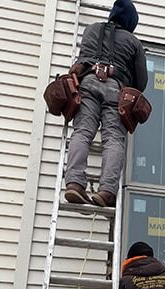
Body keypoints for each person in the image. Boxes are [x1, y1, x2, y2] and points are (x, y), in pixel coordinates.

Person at [64, 0, 148, 207]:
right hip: (115, 89)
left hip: (88, 83)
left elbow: (83, 59)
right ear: (130, 22)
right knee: (113, 139)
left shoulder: (91, 29)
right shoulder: (133, 42)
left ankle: (74, 183)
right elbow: (142, 82)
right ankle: (106, 191)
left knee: (82, 132)